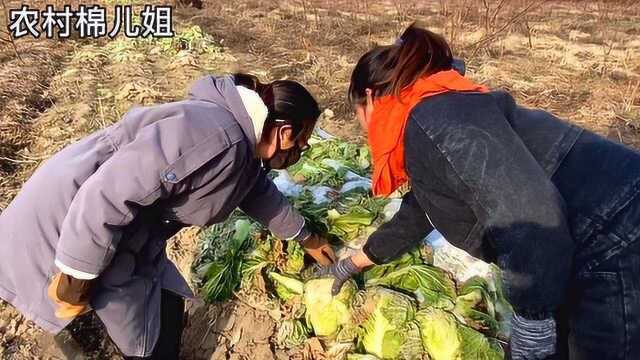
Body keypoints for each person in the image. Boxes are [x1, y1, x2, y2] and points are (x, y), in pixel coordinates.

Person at [318, 24, 640, 360]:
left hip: (615, 231)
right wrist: (352, 264)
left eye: (357, 116)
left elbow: (531, 213)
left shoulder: (435, 119)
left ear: (369, 98)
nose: (363, 127)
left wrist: (532, 321)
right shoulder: (436, 110)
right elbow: (420, 212)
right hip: (583, 239)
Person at [0, 73, 336, 359]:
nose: (300, 152)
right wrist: (76, 277)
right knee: (111, 339)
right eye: (302, 143)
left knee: (168, 311)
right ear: (285, 132)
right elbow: (107, 196)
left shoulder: (240, 141)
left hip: (119, 230)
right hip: (69, 228)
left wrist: (305, 237)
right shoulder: (218, 136)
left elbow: (255, 189)